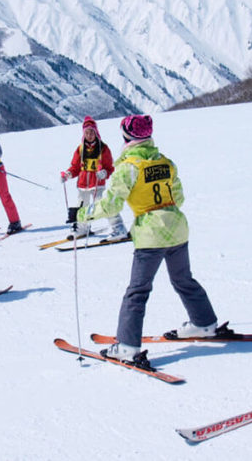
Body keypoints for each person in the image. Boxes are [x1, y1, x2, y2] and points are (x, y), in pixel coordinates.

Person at [78, 114, 219, 365]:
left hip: (150, 234)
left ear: (126, 137)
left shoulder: (128, 167)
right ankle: (204, 323)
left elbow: (110, 205)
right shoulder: (166, 162)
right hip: (177, 227)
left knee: (138, 291)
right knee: (183, 279)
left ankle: (128, 346)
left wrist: (85, 213)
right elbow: (179, 198)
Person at [61, 116, 126, 240]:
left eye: (92, 132)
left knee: (104, 205)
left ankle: (119, 228)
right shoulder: (80, 149)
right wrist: (68, 174)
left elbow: (110, 167)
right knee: (81, 207)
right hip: (82, 185)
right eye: (87, 132)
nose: (89, 135)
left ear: (96, 132)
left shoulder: (103, 148)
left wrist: (105, 173)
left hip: (97, 184)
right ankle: (83, 228)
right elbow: (75, 167)